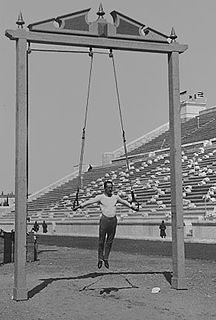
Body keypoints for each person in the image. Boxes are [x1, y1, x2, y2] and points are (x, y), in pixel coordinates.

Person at [74, 180, 139, 269]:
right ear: (105, 188)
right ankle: (100, 258)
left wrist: (133, 207)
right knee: (101, 241)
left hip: (113, 220)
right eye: (108, 187)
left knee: (110, 241)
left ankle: (106, 258)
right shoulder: (100, 197)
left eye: (111, 187)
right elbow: (90, 201)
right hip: (104, 220)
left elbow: (125, 202)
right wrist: (79, 206)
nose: (110, 189)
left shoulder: (115, 197)